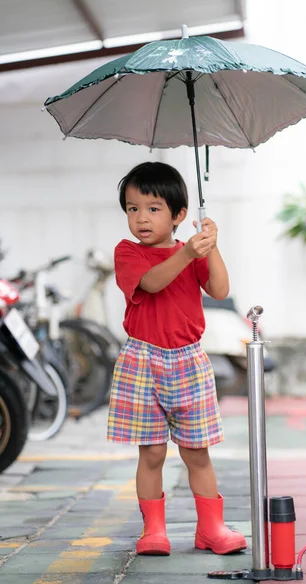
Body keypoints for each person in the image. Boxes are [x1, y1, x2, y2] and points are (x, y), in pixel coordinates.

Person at [107, 161, 246, 556]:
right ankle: (154, 530)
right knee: (151, 452)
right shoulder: (127, 252)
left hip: (188, 360)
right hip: (141, 361)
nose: (141, 218)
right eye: (133, 209)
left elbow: (219, 290)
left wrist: (210, 247)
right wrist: (187, 252)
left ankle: (211, 529)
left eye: (153, 208)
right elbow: (152, 282)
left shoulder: (192, 251)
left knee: (196, 451)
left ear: (179, 215)